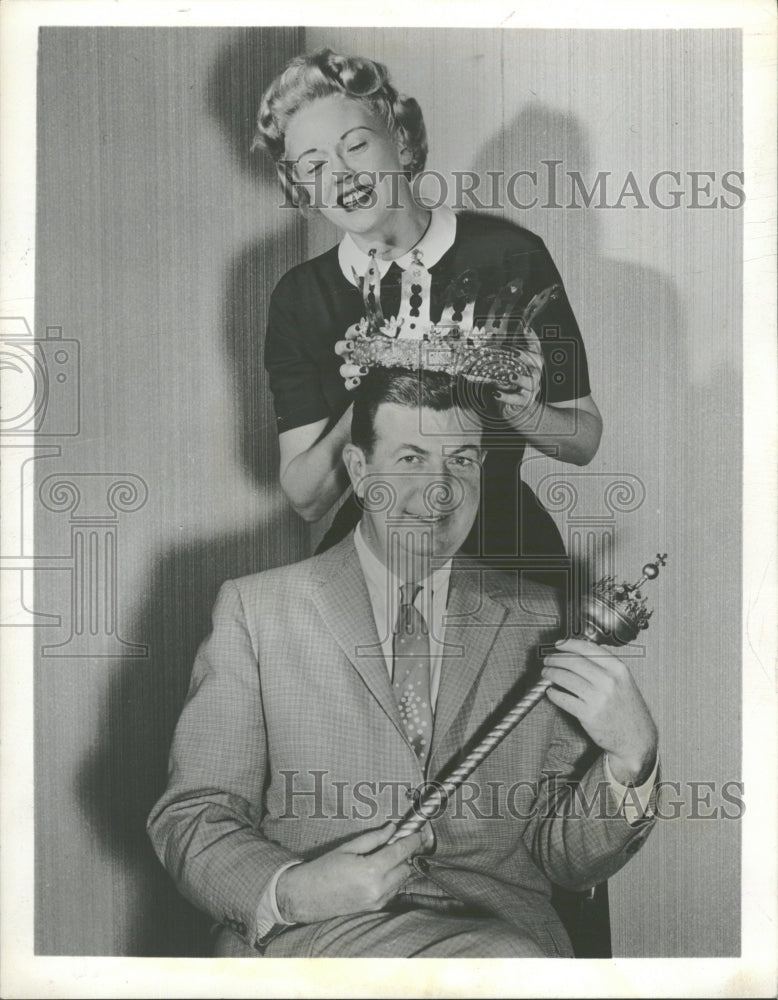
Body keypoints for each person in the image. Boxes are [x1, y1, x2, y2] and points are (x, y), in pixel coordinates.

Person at [147, 368, 658, 959]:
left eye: (462, 460)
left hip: (507, 940)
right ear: (361, 473)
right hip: (317, 938)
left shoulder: (539, 618)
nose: (440, 491)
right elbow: (195, 815)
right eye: (412, 458)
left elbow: (565, 859)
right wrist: (292, 891)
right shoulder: (257, 610)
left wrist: (630, 762)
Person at [254, 48, 602, 588]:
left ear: (402, 142)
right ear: (300, 188)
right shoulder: (302, 297)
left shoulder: (509, 254)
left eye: (356, 145)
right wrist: (382, 376)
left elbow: (582, 440)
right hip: (380, 543)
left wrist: (520, 407)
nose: (342, 175)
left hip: (504, 537)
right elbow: (306, 499)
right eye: (316, 165)